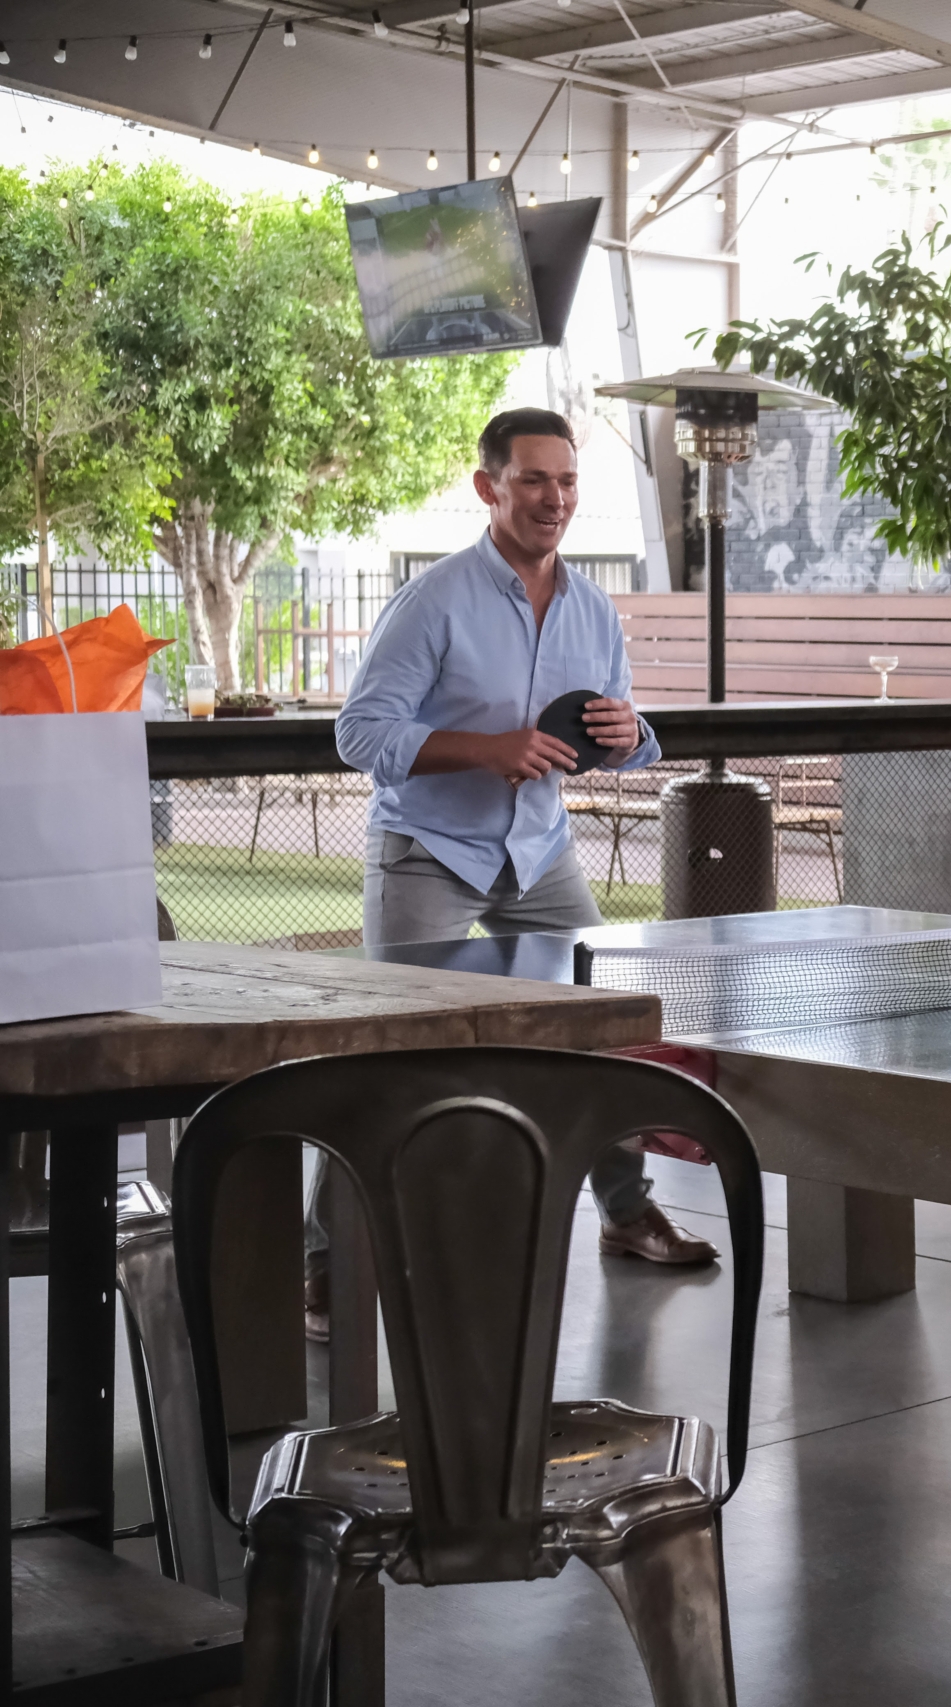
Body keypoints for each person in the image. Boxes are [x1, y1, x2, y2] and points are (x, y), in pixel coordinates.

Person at [331, 407, 719, 1283]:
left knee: (606, 1026)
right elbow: (360, 733)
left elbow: (615, 732)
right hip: (430, 848)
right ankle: (326, 1260)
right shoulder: (433, 600)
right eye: (535, 480)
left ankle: (624, 1211)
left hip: (540, 852)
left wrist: (631, 733)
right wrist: (487, 748)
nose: (555, 498)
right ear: (489, 487)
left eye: (568, 481)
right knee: (385, 1050)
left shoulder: (591, 608)